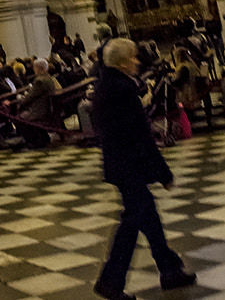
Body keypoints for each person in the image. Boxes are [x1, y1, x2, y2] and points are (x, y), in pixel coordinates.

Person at [93, 38, 195, 299]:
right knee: (132, 222)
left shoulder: (107, 84)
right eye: (134, 57)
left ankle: (170, 270)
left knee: (148, 216)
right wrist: (164, 174)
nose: (138, 62)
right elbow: (140, 136)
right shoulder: (122, 89)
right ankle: (111, 282)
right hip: (129, 165)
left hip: (120, 164)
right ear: (122, 61)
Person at [14, 58, 61, 149]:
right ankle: (43, 137)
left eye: (35, 68)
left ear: (40, 68)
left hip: (39, 110)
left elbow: (30, 97)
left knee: (18, 118)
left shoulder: (39, 81)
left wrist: (20, 102)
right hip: (46, 107)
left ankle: (34, 141)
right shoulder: (48, 77)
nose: (34, 70)